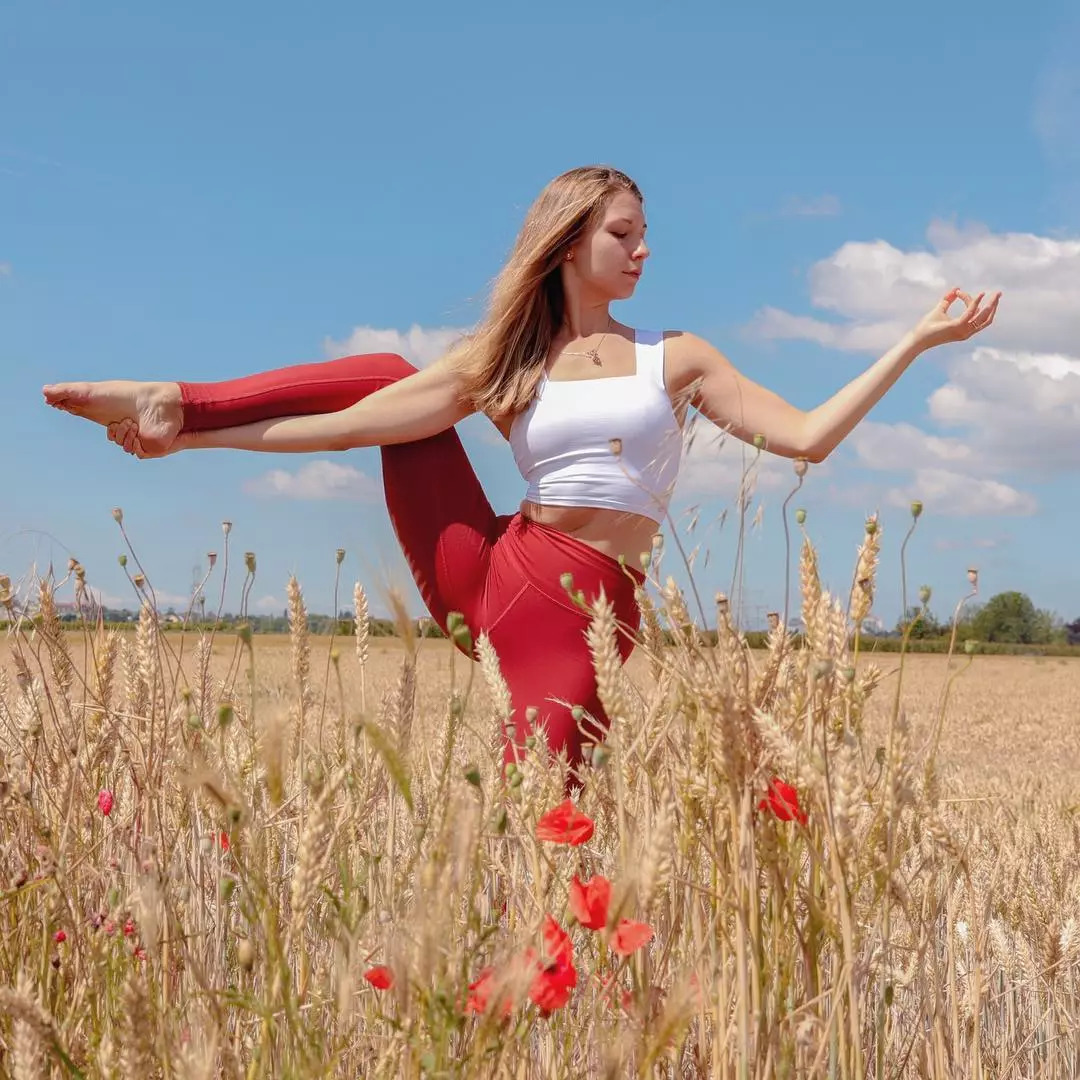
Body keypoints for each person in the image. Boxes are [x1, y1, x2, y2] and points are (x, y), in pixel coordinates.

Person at [42, 165, 1000, 775]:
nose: (643, 248)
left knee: (552, 812)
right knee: (383, 377)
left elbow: (808, 438)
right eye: (624, 232)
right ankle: (179, 398)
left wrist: (914, 340)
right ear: (571, 240)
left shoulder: (678, 356)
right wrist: (190, 440)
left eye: (643, 232)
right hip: (505, 573)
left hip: (597, 604)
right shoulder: (510, 366)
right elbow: (348, 428)